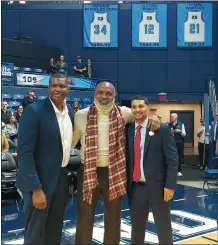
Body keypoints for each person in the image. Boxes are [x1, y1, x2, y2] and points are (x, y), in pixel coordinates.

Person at [72, 82, 160, 244]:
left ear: (115, 96)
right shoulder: (80, 115)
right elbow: (71, 141)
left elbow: (142, 117)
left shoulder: (124, 113)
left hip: (114, 171)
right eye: (100, 92)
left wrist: (153, 116)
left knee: (113, 218)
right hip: (88, 171)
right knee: (85, 217)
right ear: (94, 94)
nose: (104, 96)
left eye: (108, 93)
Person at [16, 73, 73, 245]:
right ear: (48, 87)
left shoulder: (68, 113)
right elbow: (24, 153)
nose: (58, 89)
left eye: (62, 86)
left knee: (54, 231)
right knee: (35, 234)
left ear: (68, 89)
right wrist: (36, 189)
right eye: (54, 85)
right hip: (39, 183)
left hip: (61, 179)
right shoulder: (34, 110)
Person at [125, 95, 178, 245]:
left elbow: (172, 159)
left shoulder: (162, 129)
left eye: (141, 106)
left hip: (159, 188)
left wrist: (170, 185)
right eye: (134, 107)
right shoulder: (127, 129)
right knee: (136, 230)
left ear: (148, 107)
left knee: (163, 229)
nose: (137, 110)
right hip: (136, 187)